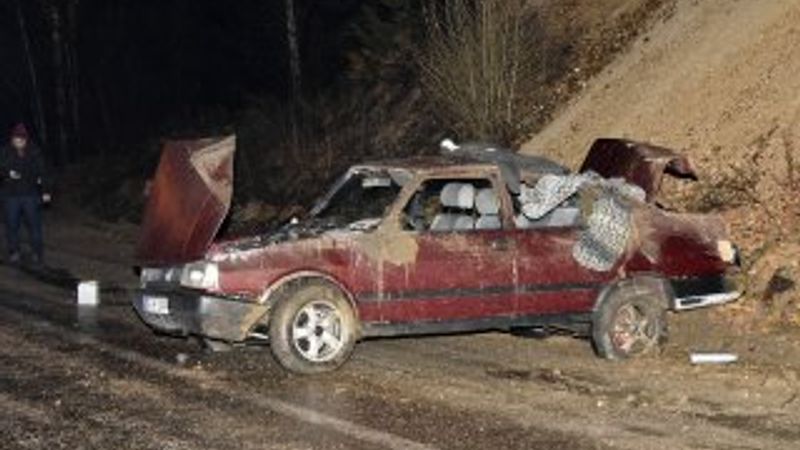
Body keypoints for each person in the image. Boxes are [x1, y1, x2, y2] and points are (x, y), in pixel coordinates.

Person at [0, 123, 52, 265]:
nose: (19, 142)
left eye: (21, 140)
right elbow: (2, 168)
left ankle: (37, 253)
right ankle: (14, 252)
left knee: (34, 226)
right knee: (11, 226)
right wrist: (8, 173)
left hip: (30, 195)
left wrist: (46, 191)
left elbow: (43, 172)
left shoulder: (34, 152)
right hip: (10, 196)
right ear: (12, 139)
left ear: (26, 139)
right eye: (16, 139)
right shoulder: (5, 151)